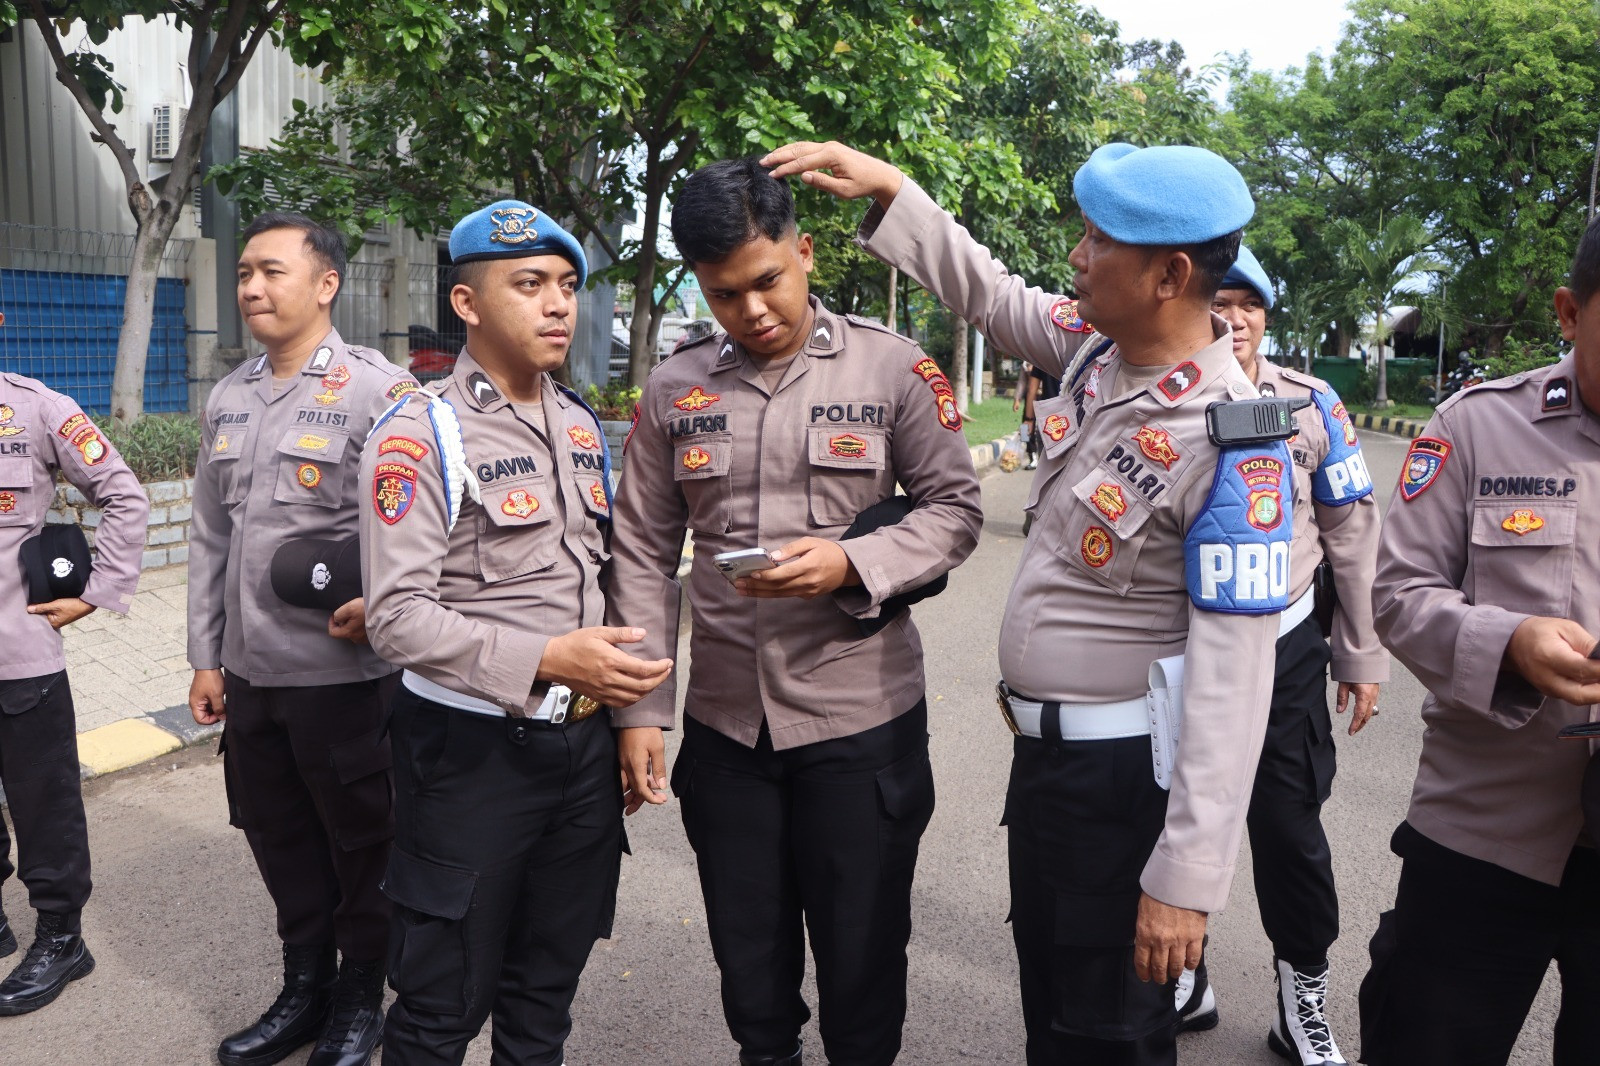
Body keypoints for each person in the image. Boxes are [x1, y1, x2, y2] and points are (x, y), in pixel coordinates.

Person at [765, 140, 1292, 1066]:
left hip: (1128, 786)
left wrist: (1187, 876)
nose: (1077, 258)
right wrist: (896, 189)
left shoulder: (1232, 444)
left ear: (1170, 274)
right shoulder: (1098, 353)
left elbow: (1235, 683)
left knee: (1108, 1040)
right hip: (1048, 776)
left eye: (1098, 241)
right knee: (1054, 1027)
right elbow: (993, 293)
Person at [607, 158, 984, 1066]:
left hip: (861, 724)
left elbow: (955, 511)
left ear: (805, 251)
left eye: (767, 281)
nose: (752, 311)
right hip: (729, 731)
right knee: (750, 964)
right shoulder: (675, 389)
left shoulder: (892, 367)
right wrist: (642, 711)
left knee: (861, 960)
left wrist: (853, 560)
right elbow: (643, 551)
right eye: (725, 293)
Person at [360, 199, 672, 1066]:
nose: (557, 305)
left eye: (567, 286)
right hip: (469, 758)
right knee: (438, 1007)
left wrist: (628, 716)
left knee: (544, 998)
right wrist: (541, 658)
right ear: (466, 303)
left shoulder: (578, 423)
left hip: (579, 752)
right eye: (528, 285)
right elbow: (394, 615)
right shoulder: (423, 430)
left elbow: (603, 573)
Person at [1357, 216, 1600, 1065]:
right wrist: (1507, 643)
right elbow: (1397, 595)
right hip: (1483, 834)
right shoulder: (1478, 427)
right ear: (1569, 314)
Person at [187, 212, 419, 1066]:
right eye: (245, 272)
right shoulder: (230, 396)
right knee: (277, 834)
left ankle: (363, 997)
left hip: (345, 680)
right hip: (251, 678)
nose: (251, 287)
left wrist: (386, 593)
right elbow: (210, 539)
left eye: (271, 271)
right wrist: (206, 657)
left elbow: (424, 519)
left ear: (325, 284)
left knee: (362, 844)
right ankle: (304, 989)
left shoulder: (378, 391)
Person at [1171, 246, 1384, 1066]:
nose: (1232, 317)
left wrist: (1361, 655)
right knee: (1167, 817)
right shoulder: (1161, 390)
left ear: (1268, 313)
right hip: (1176, 649)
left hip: (1285, 641)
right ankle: (1186, 976)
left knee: (1289, 832)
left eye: (1247, 303)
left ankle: (1303, 1003)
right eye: (1217, 300)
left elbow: (1353, 537)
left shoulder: (1314, 403)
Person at [0, 306, 150, 1016]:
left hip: (17, 658)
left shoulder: (37, 410)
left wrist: (98, 592)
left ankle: (63, 938)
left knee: (43, 806)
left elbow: (123, 493)